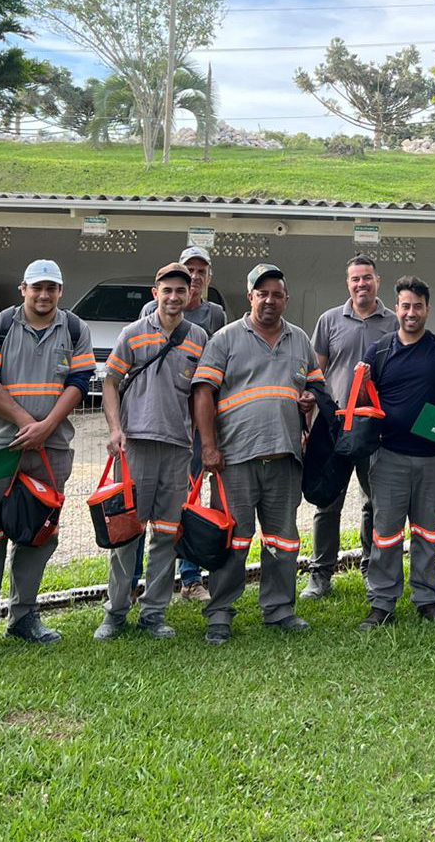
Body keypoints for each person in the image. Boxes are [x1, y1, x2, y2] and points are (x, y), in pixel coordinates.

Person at [0, 259, 94, 661]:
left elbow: (80, 383)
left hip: (50, 450)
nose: (44, 295)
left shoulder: (74, 328)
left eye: (51, 288)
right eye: (37, 287)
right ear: (23, 289)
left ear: (60, 291)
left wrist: (46, 427)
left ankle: (24, 616)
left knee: (39, 528)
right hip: (3, 447)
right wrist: (25, 423)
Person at [191, 263, 325, 645]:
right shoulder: (226, 338)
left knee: (282, 540)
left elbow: (316, 388)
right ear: (250, 297)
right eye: (261, 293)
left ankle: (279, 609)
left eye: (276, 294)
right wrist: (208, 447)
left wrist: (311, 399)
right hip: (234, 458)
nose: (269, 300)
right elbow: (203, 392)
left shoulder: (299, 340)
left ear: (286, 299)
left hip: (285, 457)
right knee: (232, 540)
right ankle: (219, 613)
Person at [358, 276, 435, 629]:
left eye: (418, 306)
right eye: (405, 306)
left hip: (431, 458)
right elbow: (362, 400)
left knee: (427, 531)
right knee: (386, 532)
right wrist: (360, 388)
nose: (411, 313)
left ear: (427, 309)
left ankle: (426, 599)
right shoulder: (379, 351)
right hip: (389, 457)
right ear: (395, 308)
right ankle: (382, 604)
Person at [94, 263, 208, 641]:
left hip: (177, 448)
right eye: (167, 290)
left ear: (190, 294)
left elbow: (203, 394)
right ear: (155, 293)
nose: (174, 297)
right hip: (135, 445)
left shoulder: (199, 338)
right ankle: (115, 612)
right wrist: (115, 429)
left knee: (166, 533)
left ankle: (154, 613)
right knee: (127, 532)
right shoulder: (132, 335)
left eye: (181, 290)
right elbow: (110, 382)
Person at [301, 254, 396, 599]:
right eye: (355, 279)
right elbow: (315, 374)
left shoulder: (394, 322)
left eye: (367, 278)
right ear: (348, 284)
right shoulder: (329, 321)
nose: (361, 284)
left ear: (377, 282)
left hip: (374, 431)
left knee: (375, 503)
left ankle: (372, 567)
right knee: (328, 503)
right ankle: (320, 573)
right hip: (335, 428)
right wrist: (310, 417)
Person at [139, 245, 226, 603]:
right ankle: (132, 584)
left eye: (201, 271)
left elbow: (217, 372)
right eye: (190, 269)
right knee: (140, 506)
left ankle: (190, 579)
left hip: (192, 427)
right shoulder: (148, 313)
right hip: (151, 423)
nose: (195, 277)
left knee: (187, 501)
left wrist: (208, 432)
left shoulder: (215, 315)